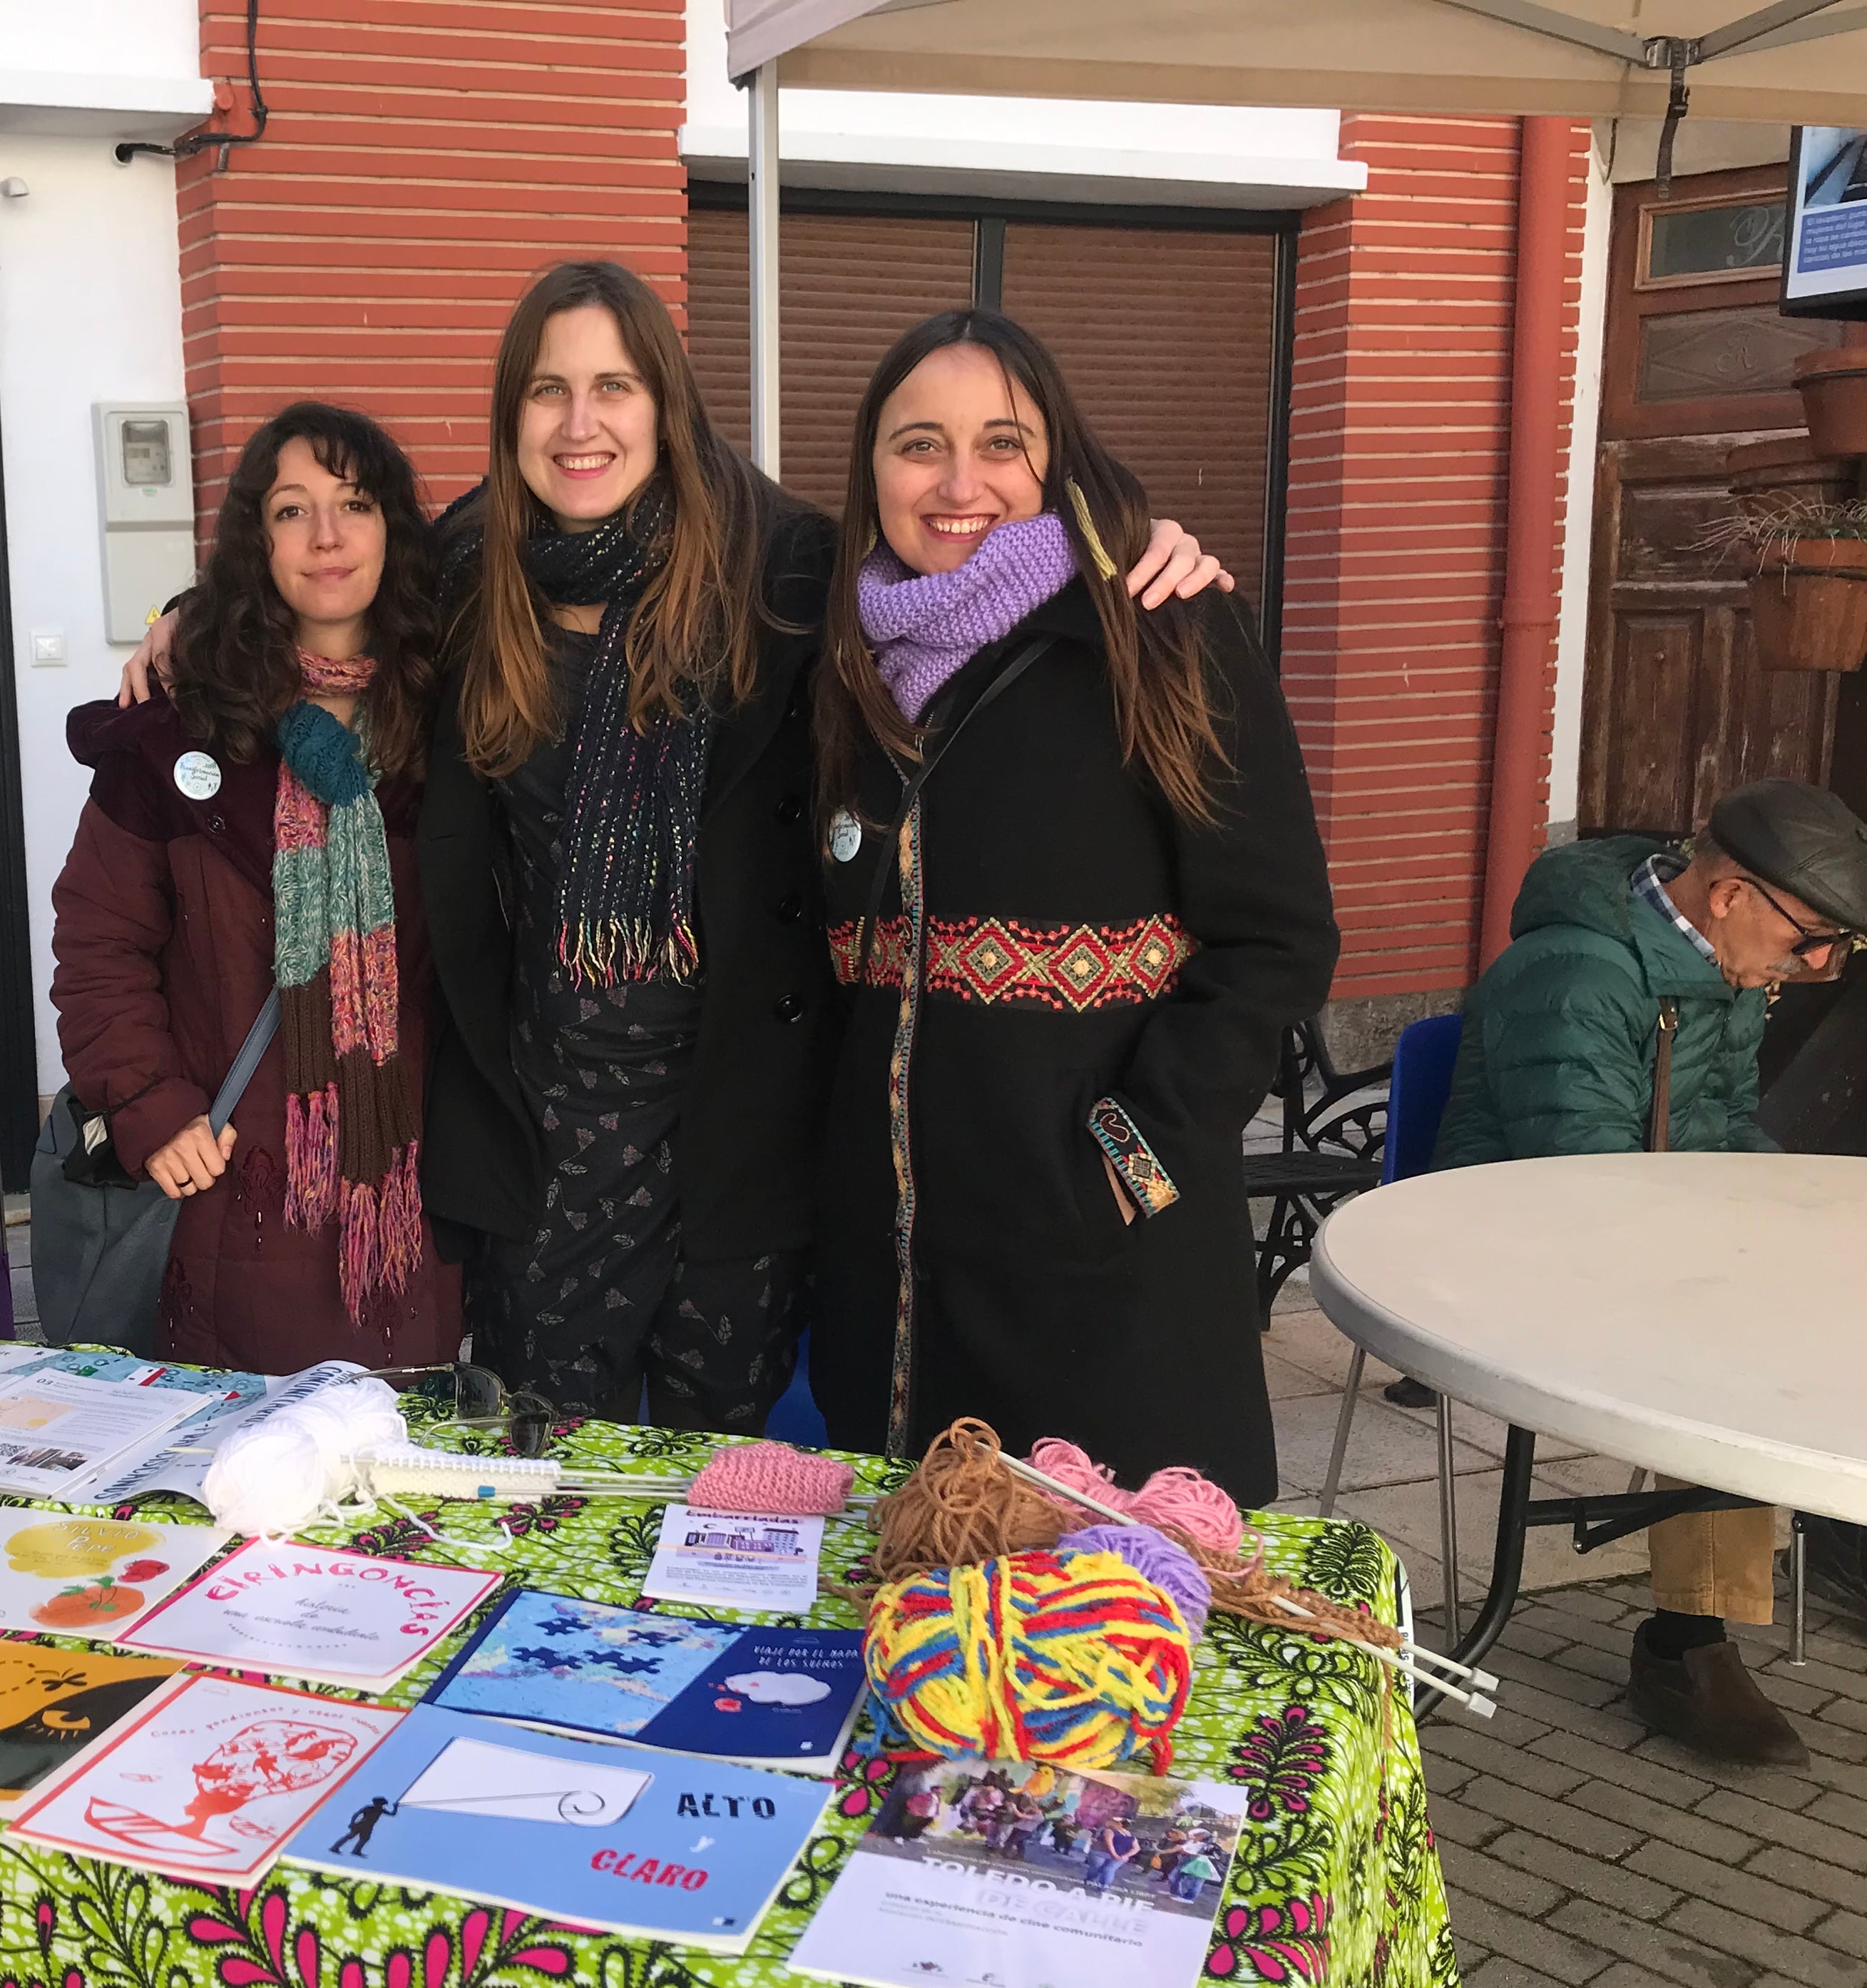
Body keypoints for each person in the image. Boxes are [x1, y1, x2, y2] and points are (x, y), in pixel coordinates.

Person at [121, 269, 1227, 1430]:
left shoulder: (784, 566)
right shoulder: (469, 566)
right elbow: (321, 585)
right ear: (512, 413)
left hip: (734, 1127)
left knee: (715, 1490)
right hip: (539, 1127)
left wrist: (1124, 532)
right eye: (549, 389)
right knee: (536, 1475)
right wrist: (189, 614)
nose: (580, 422)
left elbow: (957, 560)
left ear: (667, 402)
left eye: (615, 385)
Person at [807, 309, 1338, 1499]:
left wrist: (1130, 1152)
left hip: (1104, 1280)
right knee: (919, 1647)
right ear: (871, 470)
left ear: (1057, 461)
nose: (959, 483)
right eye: (918, 445)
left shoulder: (1160, 632)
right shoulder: (845, 667)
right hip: (895, 1292)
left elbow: (1279, 934)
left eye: (1002, 442)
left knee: (1106, 1645)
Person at [1432, 779, 1867, 1764]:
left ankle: (1856, 1530)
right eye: (1813, 938)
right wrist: (1738, 1255)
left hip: (1641, 1232)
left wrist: (1804, 1217)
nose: (1818, 966)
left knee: (1846, 1286)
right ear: (1728, 895)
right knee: (1745, 1343)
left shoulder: (1716, 964)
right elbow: (1582, 1181)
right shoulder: (1576, 975)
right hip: (1504, 1246)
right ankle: (1688, 1641)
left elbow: (1722, 1135)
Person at [51, 402, 464, 1372]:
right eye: (291, 510)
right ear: (254, 539)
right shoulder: (178, 731)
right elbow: (98, 939)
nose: (326, 536)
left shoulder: (459, 719)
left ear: (394, 531)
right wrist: (149, 1102)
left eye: (355, 504)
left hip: (418, 1208)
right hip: (234, 1195)